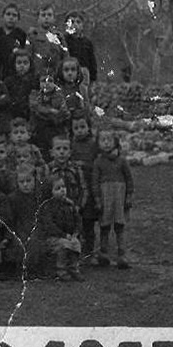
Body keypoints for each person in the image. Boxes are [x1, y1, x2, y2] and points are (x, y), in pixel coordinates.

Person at [92, 129, 134, 269]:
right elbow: (95, 181)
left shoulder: (121, 161)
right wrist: (97, 199)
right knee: (104, 226)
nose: (106, 143)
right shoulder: (98, 162)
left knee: (119, 226)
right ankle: (103, 254)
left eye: (109, 140)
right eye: (103, 140)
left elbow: (129, 179)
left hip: (119, 198)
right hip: (105, 198)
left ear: (115, 142)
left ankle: (122, 254)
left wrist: (128, 196)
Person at [36, 174, 84, 281]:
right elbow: (49, 225)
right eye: (58, 189)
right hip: (52, 237)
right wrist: (63, 235)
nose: (62, 190)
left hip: (69, 235)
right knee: (63, 245)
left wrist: (75, 233)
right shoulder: (47, 207)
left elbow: (78, 220)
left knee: (75, 243)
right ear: (50, 192)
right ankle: (61, 270)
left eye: (63, 187)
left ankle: (74, 268)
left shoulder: (69, 204)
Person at [70, 113, 99, 264]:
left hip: (90, 187)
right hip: (76, 189)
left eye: (82, 127)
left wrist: (84, 165)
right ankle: (77, 253)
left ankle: (91, 252)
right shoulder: (71, 145)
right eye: (76, 128)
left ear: (88, 128)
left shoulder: (93, 144)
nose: (80, 130)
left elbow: (97, 165)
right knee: (77, 221)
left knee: (88, 222)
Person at [29, 74, 70, 160]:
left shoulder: (59, 96)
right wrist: (50, 111)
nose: (47, 84)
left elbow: (63, 111)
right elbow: (36, 107)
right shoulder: (35, 95)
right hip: (39, 129)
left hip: (55, 128)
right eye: (44, 81)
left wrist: (59, 114)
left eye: (50, 81)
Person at [0, 3, 27, 79]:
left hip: (14, 72)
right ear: (3, 16)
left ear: (18, 18)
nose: (11, 17)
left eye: (14, 15)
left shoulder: (21, 34)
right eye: (8, 14)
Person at [27, 3, 67, 78]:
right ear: (38, 18)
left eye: (49, 15)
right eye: (43, 15)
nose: (46, 17)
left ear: (54, 18)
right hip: (37, 75)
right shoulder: (32, 35)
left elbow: (65, 57)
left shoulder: (58, 36)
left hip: (56, 75)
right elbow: (28, 56)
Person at [64, 10, 97, 86]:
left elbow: (92, 62)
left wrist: (93, 79)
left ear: (82, 26)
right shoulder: (63, 40)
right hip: (68, 73)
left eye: (78, 22)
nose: (75, 25)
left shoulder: (87, 42)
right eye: (72, 22)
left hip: (83, 74)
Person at [4, 47, 37, 121]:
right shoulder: (8, 81)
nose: (22, 66)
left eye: (25, 63)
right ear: (13, 64)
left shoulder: (35, 81)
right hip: (12, 114)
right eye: (19, 63)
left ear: (30, 64)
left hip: (30, 114)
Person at [56, 56, 89, 120]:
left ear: (78, 72)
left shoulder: (82, 89)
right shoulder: (59, 90)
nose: (70, 73)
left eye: (73, 70)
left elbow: (86, 108)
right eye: (66, 70)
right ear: (61, 72)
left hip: (79, 121)